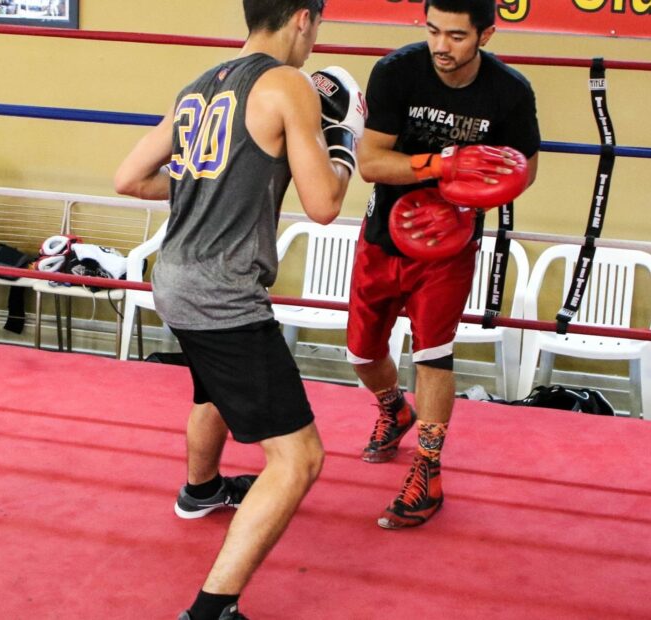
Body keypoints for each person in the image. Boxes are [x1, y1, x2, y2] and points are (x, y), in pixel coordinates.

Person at [114, 1, 364, 618]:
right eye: (318, 26)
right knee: (299, 458)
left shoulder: (199, 86)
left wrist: (209, 186)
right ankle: (210, 611)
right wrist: (346, 139)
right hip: (224, 294)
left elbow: (129, 178)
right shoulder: (287, 85)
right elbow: (325, 203)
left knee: (212, 391)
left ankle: (199, 490)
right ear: (303, 18)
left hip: (172, 278)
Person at [347, 0, 540, 529]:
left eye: (456, 36)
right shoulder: (396, 72)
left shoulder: (510, 93)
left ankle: (428, 469)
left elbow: (525, 170)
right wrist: (444, 163)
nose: (441, 46)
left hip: (450, 242)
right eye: (433, 31)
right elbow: (370, 163)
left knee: (434, 351)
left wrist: (478, 190)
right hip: (385, 232)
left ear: (486, 35)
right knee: (361, 353)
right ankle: (393, 408)